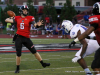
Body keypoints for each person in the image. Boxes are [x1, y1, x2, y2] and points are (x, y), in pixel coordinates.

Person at [5, 5, 50, 73]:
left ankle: (43, 63)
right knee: (18, 54)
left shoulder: (30, 18)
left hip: (26, 38)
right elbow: (6, 20)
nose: (25, 12)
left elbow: (35, 25)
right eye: (24, 10)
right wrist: (12, 17)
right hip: (18, 37)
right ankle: (17, 68)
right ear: (21, 11)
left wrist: (38, 25)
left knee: (34, 51)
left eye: (26, 10)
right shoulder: (17, 18)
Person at [69, 2, 100, 75]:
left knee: (95, 66)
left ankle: (88, 73)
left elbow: (86, 33)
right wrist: (90, 37)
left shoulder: (96, 19)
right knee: (96, 66)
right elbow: (97, 37)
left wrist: (75, 40)